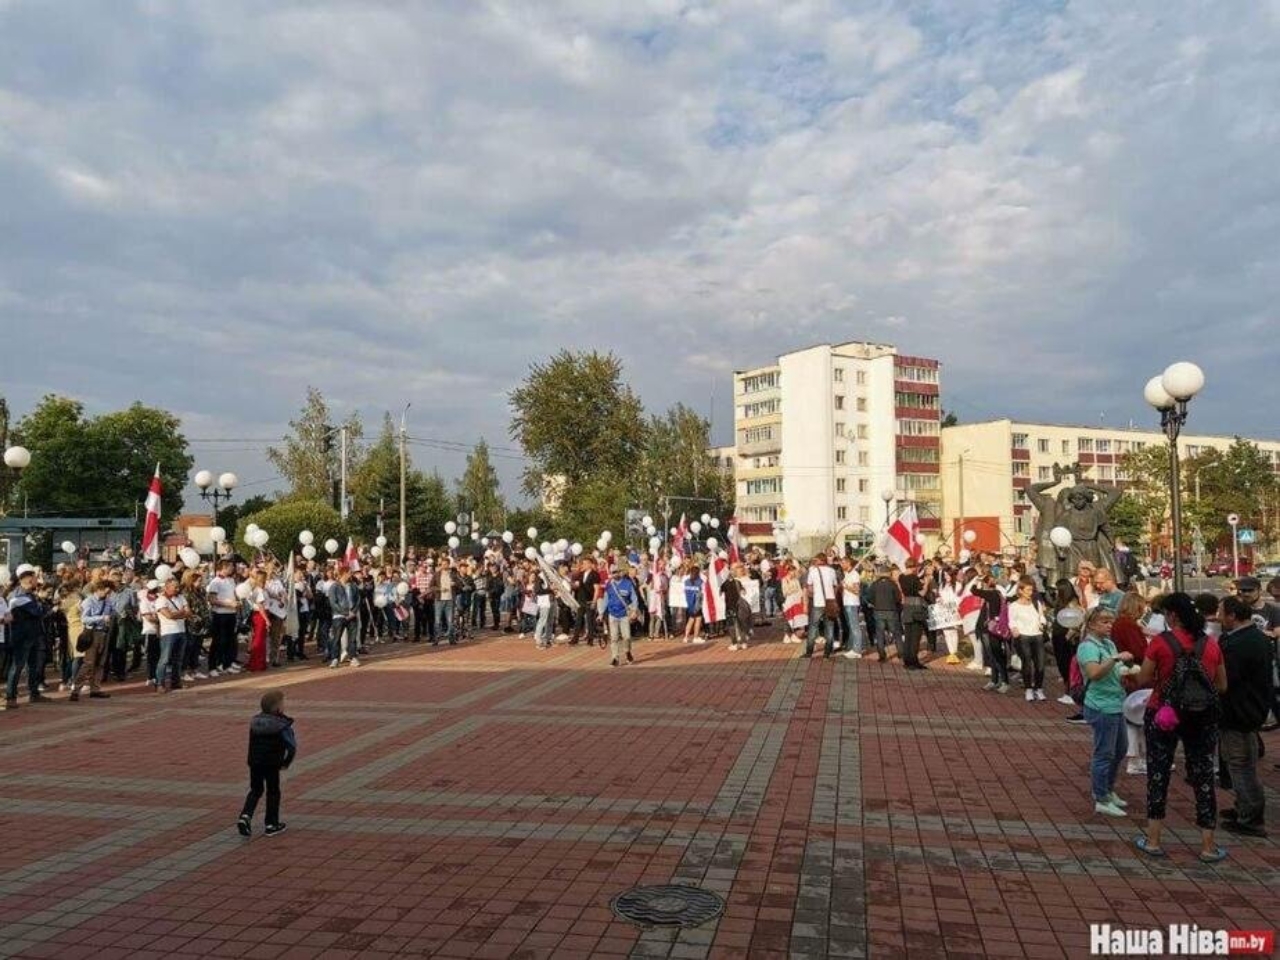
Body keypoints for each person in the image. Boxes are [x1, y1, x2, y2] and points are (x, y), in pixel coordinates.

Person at [1132, 592, 1228, 862]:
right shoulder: (1209, 644)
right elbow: (1221, 685)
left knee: (1158, 774)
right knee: (1203, 775)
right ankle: (1208, 845)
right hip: (1202, 716)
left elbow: (1143, 678)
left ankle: (1153, 840)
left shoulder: (1161, 643)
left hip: (1163, 712)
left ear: (1172, 615)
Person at [1217, 596, 1273, 838]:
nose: (1219, 617)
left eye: (1221, 613)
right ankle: (1244, 806)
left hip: (1240, 711)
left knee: (1240, 765)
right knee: (1241, 761)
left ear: (1232, 615)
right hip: (1248, 709)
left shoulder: (1241, 643)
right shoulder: (1253, 637)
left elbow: (1227, 679)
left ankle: (1250, 817)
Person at [1076, 607, 1133, 816]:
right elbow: (1094, 673)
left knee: (1119, 750)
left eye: (1111, 622)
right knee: (1104, 753)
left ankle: (1107, 790)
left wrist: (1124, 672)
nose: (1109, 626)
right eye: (1104, 622)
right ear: (1091, 624)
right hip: (1100, 706)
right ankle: (1100, 796)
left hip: (1116, 701)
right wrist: (1115, 659)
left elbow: (1112, 672)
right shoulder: (1088, 647)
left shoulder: (1108, 643)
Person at [236, 688, 296, 839]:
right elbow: (292, 746)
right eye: (283, 704)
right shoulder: (281, 724)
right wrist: (286, 762)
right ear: (277, 708)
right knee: (273, 791)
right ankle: (271, 823)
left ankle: (245, 816)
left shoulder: (255, 721)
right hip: (272, 763)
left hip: (255, 761)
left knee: (255, 790)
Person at [71, 578, 114, 701]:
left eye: (109, 592)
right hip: (92, 633)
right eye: (106, 592)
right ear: (99, 589)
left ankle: (95, 689)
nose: (107, 594)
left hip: (104, 633)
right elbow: (84, 619)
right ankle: (76, 690)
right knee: (88, 663)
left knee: (100, 663)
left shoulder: (108, 601)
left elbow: (112, 613)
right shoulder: (89, 601)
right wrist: (101, 618)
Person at [1009, 576, 1047, 699]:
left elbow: (1041, 616)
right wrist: (1014, 629)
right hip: (1023, 636)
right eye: (1027, 590)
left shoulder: (1036, 602)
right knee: (1027, 663)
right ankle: (1028, 689)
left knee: (1040, 664)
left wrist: (1042, 623)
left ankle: (1039, 688)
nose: (1030, 593)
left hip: (1037, 635)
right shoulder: (1014, 605)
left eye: (1032, 590)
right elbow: (1012, 621)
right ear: (1020, 590)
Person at [154, 578, 191, 693]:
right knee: (164, 659)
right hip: (168, 632)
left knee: (178, 659)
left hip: (181, 630)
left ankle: (176, 682)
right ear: (167, 587)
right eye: (174, 587)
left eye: (178, 586)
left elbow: (188, 612)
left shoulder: (181, 597)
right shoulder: (161, 600)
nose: (177, 589)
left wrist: (178, 614)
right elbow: (168, 615)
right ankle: (159, 683)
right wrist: (181, 613)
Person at [805, 554, 840, 660]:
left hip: (818, 602)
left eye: (816, 560)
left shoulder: (813, 571)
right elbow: (835, 586)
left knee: (813, 627)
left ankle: (809, 652)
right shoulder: (832, 571)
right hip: (829, 602)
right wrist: (832, 596)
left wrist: (813, 594)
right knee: (829, 627)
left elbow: (810, 588)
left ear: (819, 560)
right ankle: (827, 654)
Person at [604, 564, 639, 667]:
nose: (615, 574)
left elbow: (634, 598)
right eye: (613, 572)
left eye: (616, 572)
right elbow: (606, 599)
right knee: (614, 637)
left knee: (626, 636)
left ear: (621, 572)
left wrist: (634, 610)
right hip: (612, 614)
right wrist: (601, 613)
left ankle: (627, 652)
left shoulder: (627, 584)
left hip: (624, 614)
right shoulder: (609, 585)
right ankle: (615, 657)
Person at [866, 567, 902, 663]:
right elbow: (898, 598)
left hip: (878, 610)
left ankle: (882, 655)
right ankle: (901, 652)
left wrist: (875, 603)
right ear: (888, 573)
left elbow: (869, 597)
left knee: (880, 634)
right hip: (891, 610)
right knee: (896, 633)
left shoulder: (875, 584)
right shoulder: (893, 584)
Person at [683, 563, 704, 643]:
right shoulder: (700, 582)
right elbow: (703, 593)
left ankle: (686, 637)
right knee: (698, 619)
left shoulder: (686, 582)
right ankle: (696, 637)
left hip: (689, 604)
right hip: (697, 604)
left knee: (691, 619)